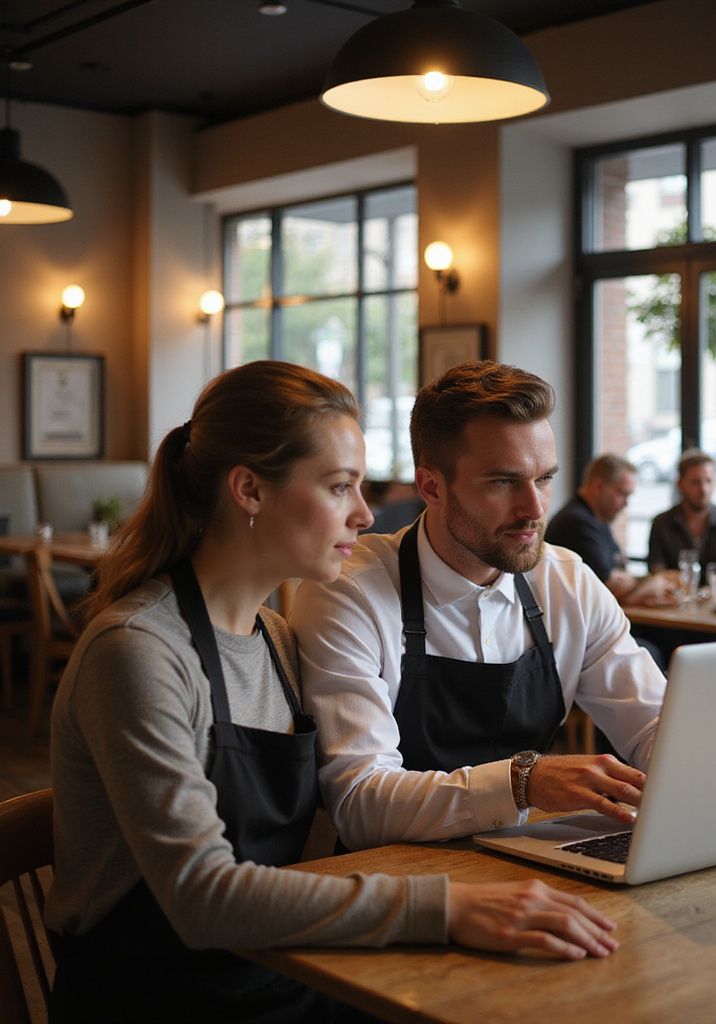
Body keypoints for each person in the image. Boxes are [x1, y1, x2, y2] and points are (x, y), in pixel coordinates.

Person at [45, 362, 618, 1024]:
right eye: (339, 486)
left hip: (283, 972)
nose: (366, 512)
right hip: (163, 997)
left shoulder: (276, 640)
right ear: (250, 491)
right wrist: (451, 906)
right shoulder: (137, 651)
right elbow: (202, 897)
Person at [290, 361, 664, 852]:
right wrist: (523, 782)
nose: (534, 509)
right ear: (432, 487)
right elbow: (361, 803)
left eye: (545, 478)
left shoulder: (568, 582)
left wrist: (691, 761)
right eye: (504, 482)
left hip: (531, 862)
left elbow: (656, 728)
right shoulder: (350, 593)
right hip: (399, 886)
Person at [546, 453, 677, 606]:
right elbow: (610, 590)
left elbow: (621, 569)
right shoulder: (577, 523)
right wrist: (653, 582)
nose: (626, 504)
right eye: (623, 494)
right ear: (599, 487)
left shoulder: (597, 518)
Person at [646, 448, 716, 585]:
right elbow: (657, 571)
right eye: (696, 482)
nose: (704, 490)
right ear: (680, 484)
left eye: (708, 481)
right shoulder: (661, 523)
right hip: (676, 601)